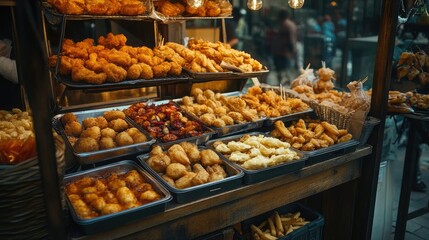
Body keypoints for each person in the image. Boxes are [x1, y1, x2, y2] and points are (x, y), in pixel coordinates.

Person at [270, 9, 297, 85]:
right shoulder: (289, 24)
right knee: (284, 70)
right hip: (282, 52)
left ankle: (286, 84)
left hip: (283, 52)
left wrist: (292, 50)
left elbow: (291, 39)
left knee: (284, 70)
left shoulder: (287, 25)